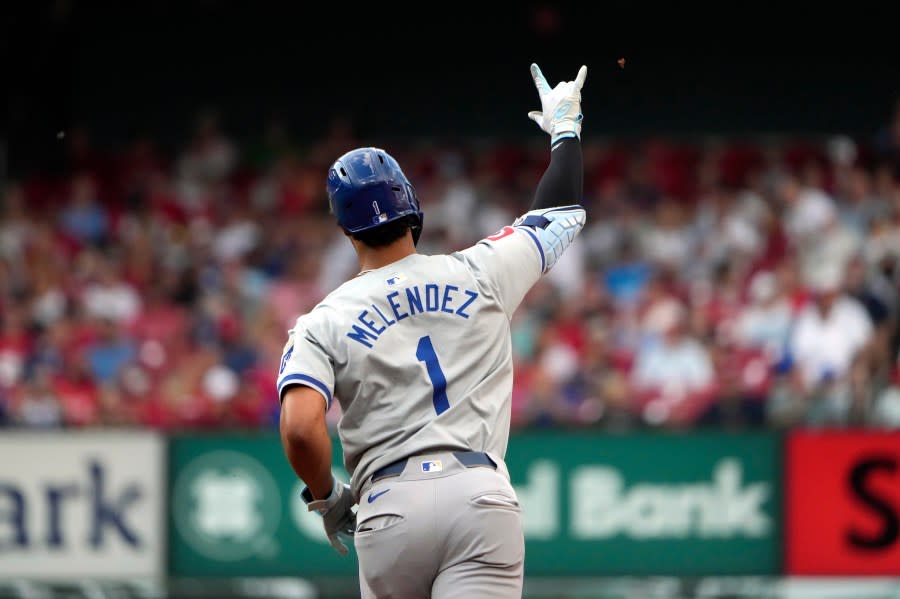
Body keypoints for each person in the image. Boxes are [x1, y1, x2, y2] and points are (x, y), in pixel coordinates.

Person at [277, 63, 588, 598]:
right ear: (410, 205)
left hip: (389, 505)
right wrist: (565, 131)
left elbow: (302, 427)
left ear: (345, 229)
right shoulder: (481, 270)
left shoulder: (323, 318)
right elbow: (562, 212)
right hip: (479, 494)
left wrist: (328, 497)